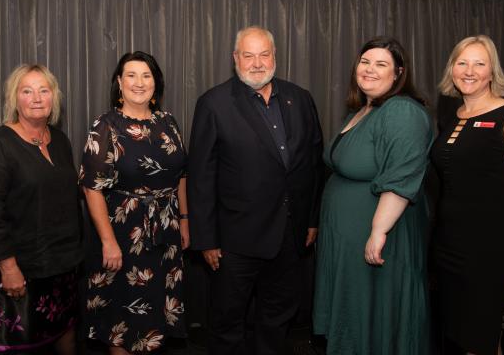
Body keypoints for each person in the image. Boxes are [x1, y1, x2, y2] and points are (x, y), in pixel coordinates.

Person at [188, 26, 324, 355]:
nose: (257, 63)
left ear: (275, 57)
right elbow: (201, 177)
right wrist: (207, 239)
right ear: (235, 58)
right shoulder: (214, 103)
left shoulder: (300, 98)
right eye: (248, 55)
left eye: (264, 55)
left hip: (289, 236)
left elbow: (313, 163)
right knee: (227, 322)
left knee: (277, 317)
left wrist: (311, 220)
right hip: (234, 241)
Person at [312, 36, 433, 354]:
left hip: (379, 237)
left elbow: (400, 177)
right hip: (348, 238)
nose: (369, 69)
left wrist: (378, 232)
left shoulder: (402, 111)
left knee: (373, 319)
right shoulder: (363, 110)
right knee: (353, 317)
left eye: (381, 64)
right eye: (365, 62)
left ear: (398, 73)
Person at [431, 35, 504, 355]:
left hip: (491, 250)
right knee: (461, 339)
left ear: (492, 71)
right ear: (452, 68)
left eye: (479, 64)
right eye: (462, 63)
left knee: (480, 342)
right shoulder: (454, 117)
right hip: (449, 248)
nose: (469, 71)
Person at [80, 51, 189, 354]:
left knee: (155, 319)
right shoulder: (106, 125)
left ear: (156, 82)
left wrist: (184, 220)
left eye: (146, 75)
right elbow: (91, 188)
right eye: (131, 75)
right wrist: (108, 242)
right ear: (119, 82)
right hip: (124, 237)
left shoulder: (168, 122)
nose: (139, 83)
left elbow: (181, 174)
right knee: (124, 324)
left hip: (166, 235)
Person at [0, 64, 83, 354]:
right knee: (20, 345)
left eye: (44, 90)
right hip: (21, 271)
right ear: (14, 98)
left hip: (61, 267)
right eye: (27, 91)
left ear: (54, 97)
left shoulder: (59, 141)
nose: (36, 98)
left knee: (65, 334)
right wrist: (8, 268)